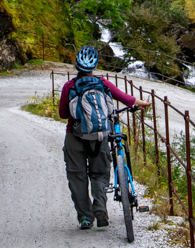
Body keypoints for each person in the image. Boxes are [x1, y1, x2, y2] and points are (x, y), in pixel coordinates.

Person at [58, 45, 150, 230]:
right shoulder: (103, 83)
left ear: (76, 66)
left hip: (75, 137)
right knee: (100, 173)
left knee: (77, 176)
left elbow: (62, 114)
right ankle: (100, 208)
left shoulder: (69, 86)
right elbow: (124, 98)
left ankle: (85, 217)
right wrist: (141, 103)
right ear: (94, 67)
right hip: (100, 135)